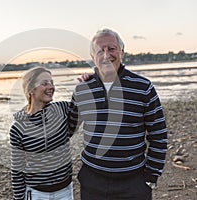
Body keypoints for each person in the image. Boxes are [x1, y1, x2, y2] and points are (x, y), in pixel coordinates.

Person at [69, 28, 168, 200]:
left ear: (122, 51)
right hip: (93, 181)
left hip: (134, 182)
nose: (106, 55)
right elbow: (69, 127)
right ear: (93, 56)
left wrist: (151, 176)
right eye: (100, 50)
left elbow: (158, 134)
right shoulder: (82, 89)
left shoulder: (143, 87)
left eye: (112, 48)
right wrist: (39, 105)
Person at [10, 67, 74, 200]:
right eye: (45, 83)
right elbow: (17, 169)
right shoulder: (18, 128)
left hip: (65, 192)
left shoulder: (61, 109)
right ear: (31, 89)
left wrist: (87, 82)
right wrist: (19, 198)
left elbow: (85, 105)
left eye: (52, 83)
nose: (51, 87)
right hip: (37, 194)